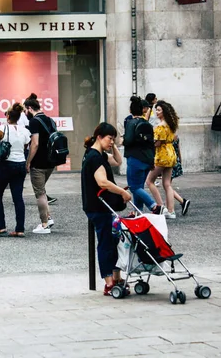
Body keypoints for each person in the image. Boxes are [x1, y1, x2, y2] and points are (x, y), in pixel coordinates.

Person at [81, 122, 132, 296]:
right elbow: (102, 182)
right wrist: (122, 193)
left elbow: (118, 161)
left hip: (104, 206)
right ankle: (109, 282)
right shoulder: (94, 157)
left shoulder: (99, 154)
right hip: (98, 207)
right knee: (105, 242)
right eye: (110, 138)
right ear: (100, 137)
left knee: (114, 240)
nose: (111, 142)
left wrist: (114, 146)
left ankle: (116, 278)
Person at [0, 103, 31, 237]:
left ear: (8, 116)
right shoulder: (24, 130)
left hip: (6, 164)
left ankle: (1, 226)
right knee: (18, 197)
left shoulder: (2, 129)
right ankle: (20, 229)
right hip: (20, 164)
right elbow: (25, 146)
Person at [123, 96, 163, 214]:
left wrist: (123, 140)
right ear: (142, 110)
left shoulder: (131, 123)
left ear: (131, 111)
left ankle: (154, 206)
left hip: (135, 158)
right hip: (147, 159)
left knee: (133, 187)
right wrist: (151, 160)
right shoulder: (147, 124)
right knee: (139, 187)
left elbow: (128, 141)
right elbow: (151, 143)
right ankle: (138, 211)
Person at [24, 93, 57, 234]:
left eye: (25, 110)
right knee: (42, 190)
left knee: (40, 194)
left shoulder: (34, 122)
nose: (25, 113)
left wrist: (28, 162)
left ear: (30, 108)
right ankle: (48, 218)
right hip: (51, 161)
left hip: (38, 162)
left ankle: (44, 224)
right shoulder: (50, 120)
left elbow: (35, 143)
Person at [145, 101, 180, 219]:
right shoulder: (171, 124)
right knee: (167, 184)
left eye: (159, 110)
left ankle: (161, 206)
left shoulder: (160, 126)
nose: (156, 112)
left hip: (162, 155)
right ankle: (171, 211)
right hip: (171, 153)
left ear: (164, 112)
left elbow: (157, 143)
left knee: (149, 181)